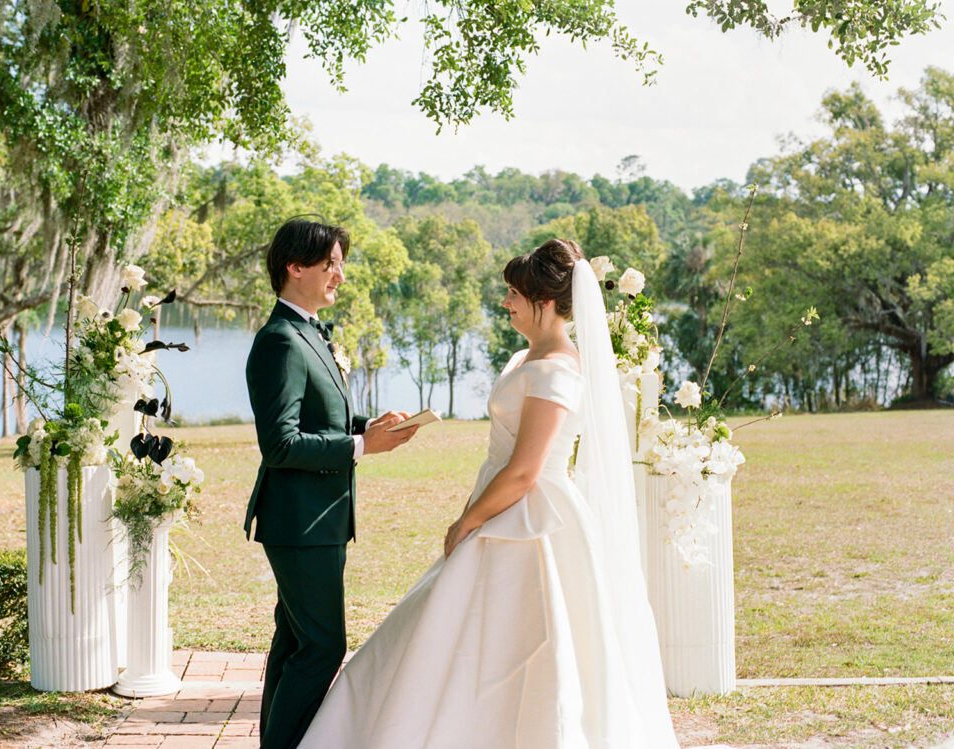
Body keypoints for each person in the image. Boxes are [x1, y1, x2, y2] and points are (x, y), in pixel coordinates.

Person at [296, 238, 680, 748]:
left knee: (536, 644)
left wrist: (467, 521)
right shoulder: (528, 356)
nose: (505, 304)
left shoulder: (556, 371)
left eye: (513, 295)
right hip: (498, 505)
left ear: (544, 303)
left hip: (534, 523)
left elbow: (525, 471)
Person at [244, 217, 419, 749]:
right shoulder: (280, 341)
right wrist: (364, 447)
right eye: (331, 264)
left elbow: (319, 419)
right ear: (295, 268)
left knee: (295, 642)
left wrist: (368, 425)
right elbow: (281, 446)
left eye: (340, 263)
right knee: (322, 647)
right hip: (299, 522)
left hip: (320, 519)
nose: (340, 275)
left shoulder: (309, 332)